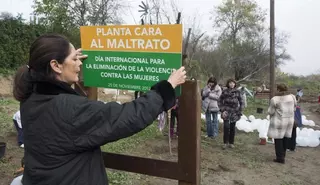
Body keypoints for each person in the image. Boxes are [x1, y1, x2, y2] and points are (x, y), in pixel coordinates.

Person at [13, 34, 186, 185]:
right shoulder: (70, 110)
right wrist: (167, 88)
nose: (80, 63)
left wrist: (70, 60)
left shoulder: (30, 97)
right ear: (56, 65)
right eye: (74, 59)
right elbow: (125, 116)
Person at [267, 84, 296, 164]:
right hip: (289, 120)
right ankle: (283, 155)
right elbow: (295, 107)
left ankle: (280, 158)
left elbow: (270, 111)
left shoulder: (275, 99)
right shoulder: (292, 97)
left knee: (278, 139)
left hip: (279, 121)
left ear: (278, 90)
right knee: (285, 137)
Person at [219, 79, 243, 149]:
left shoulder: (237, 92)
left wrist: (240, 110)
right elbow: (220, 100)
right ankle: (225, 142)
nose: (232, 84)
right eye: (230, 83)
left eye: (233, 83)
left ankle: (231, 142)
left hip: (234, 111)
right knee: (226, 127)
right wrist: (222, 109)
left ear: (235, 84)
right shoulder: (225, 91)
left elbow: (241, 101)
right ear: (228, 84)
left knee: (232, 127)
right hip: (226, 111)